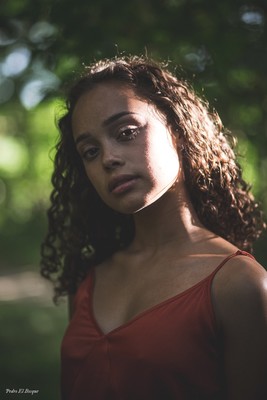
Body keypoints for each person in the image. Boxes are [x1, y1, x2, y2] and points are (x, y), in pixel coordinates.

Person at [40, 55, 267, 400]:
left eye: (126, 132)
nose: (108, 158)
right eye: (89, 151)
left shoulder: (240, 285)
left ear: (177, 131)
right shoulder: (90, 281)